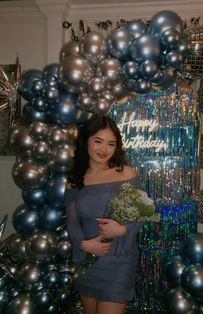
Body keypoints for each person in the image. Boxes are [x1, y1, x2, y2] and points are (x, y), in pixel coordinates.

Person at [64, 115, 144, 314]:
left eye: (111, 144)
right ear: (86, 141)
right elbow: (72, 221)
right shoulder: (74, 180)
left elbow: (144, 214)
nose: (104, 149)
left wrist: (122, 228)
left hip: (118, 258)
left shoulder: (126, 173)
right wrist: (83, 244)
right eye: (98, 141)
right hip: (87, 258)